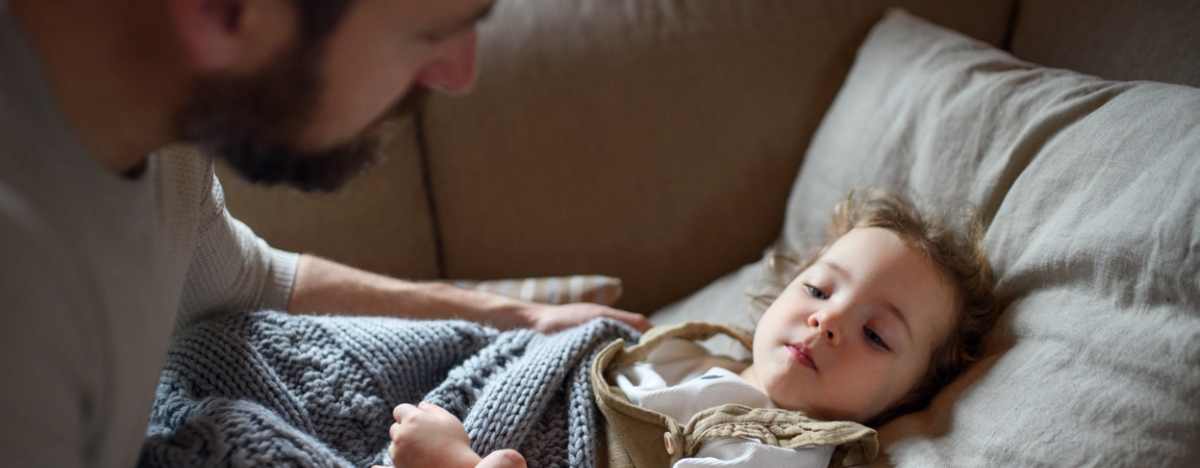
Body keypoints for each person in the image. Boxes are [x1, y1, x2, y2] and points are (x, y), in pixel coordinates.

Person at [0, 0, 650, 467]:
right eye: (428, 33)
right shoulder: (20, 301)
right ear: (224, 12)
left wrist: (522, 318)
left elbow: (254, 281)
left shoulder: (156, 123)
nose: (459, 73)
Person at [381, 190, 1002, 468]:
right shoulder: (691, 352)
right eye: (818, 288)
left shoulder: (782, 451)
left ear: (907, 400)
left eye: (877, 335)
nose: (828, 319)